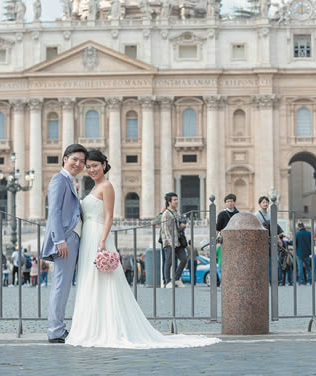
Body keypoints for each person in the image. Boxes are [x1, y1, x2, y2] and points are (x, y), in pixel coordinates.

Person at [66, 149, 219, 348]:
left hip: (98, 237)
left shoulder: (107, 186)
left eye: (95, 165)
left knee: (104, 283)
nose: (91, 169)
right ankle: (92, 326)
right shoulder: (92, 188)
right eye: (88, 167)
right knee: (90, 281)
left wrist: (102, 241)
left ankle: (105, 327)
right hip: (88, 236)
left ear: (104, 165)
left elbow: (110, 216)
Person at [41, 142, 86, 342]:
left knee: (64, 285)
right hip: (65, 239)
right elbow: (55, 212)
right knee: (60, 285)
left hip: (72, 238)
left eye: (82, 161)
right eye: (74, 159)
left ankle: (58, 328)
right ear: (65, 159)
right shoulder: (59, 179)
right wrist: (59, 240)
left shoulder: (70, 181)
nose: (78, 163)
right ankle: (55, 331)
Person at [158, 192, 181, 288]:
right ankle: (167, 281)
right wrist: (170, 241)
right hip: (168, 242)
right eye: (174, 200)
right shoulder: (166, 214)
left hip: (177, 241)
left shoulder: (177, 212)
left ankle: (175, 279)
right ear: (169, 202)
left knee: (181, 259)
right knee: (168, 261)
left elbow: (177, 227)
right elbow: (165, 229)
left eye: (177, 199)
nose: (177, 201)